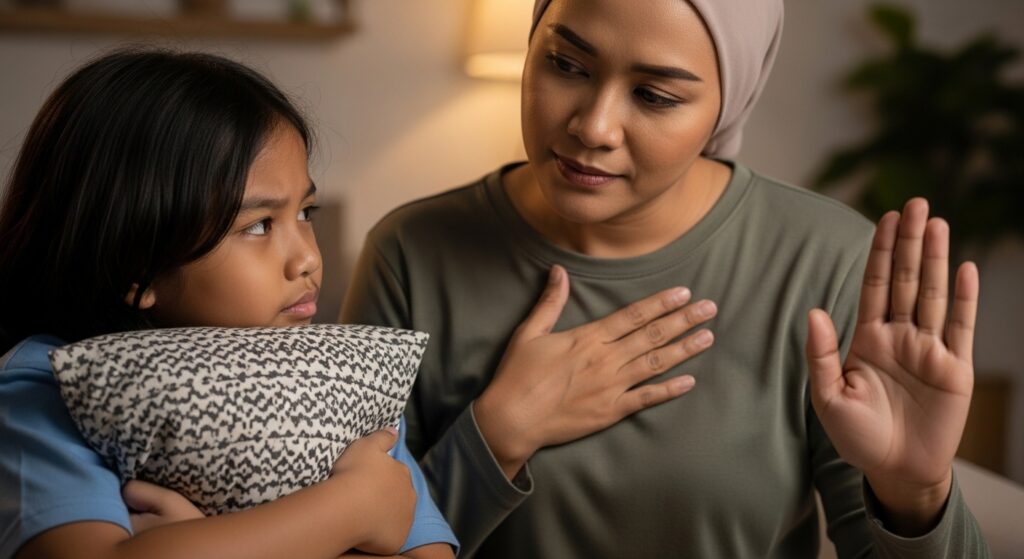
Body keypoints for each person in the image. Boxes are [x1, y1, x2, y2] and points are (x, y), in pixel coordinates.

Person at [341, 0, 989, 557]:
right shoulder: (411, 254)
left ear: (726, 106)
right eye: (565, 64)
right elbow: (348, 543)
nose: (592, 126)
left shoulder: (827, 262)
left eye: (655, 96)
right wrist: (495, 436)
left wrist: (918, 495)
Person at [0, 49, 457, 559]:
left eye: (306, 211)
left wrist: (202, 543)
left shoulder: (340, 383)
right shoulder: (47, 389)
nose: (307, 257)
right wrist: (352, 508)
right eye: (259, 225)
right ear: (137, 264)